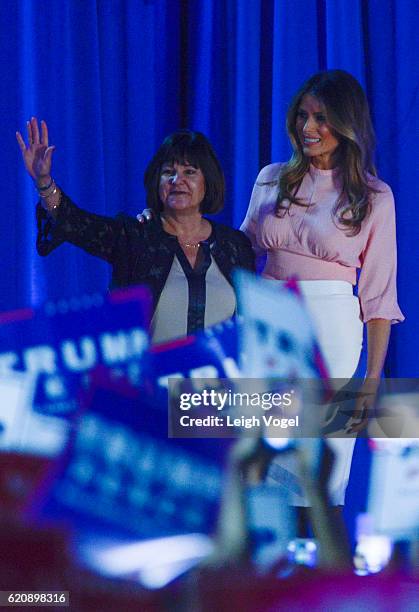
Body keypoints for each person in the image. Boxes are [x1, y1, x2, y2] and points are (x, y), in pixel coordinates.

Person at [240, 69, 404, 511]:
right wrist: (177, 230)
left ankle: (318, 565)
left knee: (321, 456)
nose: (307, 128)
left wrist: (369, 383)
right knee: (262, 451)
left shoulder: (374, 196)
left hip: (333, 324)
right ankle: (264, 568)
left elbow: (379, 298)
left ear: (346, 124)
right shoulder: (272, 178)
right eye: (303, 116)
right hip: (270, 318)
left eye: (321, 118)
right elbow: (237, 251)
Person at [16, 120, 255, 344]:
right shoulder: (133, 237)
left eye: (189, 172)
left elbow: (251, 327)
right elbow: (75, 222)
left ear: (208, 181)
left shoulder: (235, 246)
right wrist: (44, 182)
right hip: (152, 385)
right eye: (168, 172)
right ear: (157, 181)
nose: (176, 180)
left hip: (217, 387)